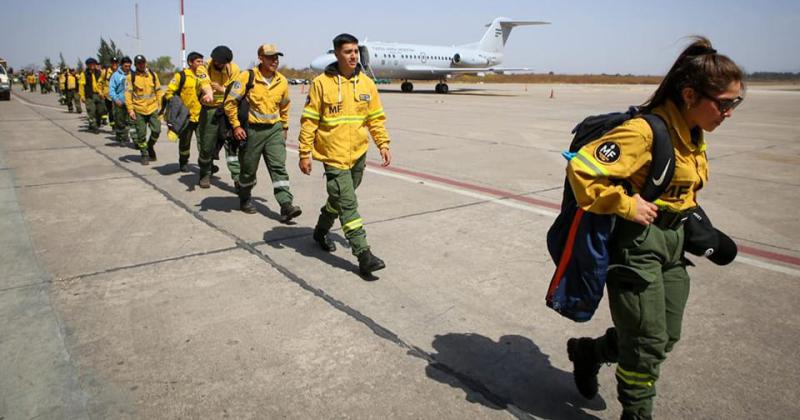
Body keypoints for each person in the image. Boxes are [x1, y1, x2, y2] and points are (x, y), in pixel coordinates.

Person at [564, 37, 744, 420]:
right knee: (646, 344)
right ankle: (637, 413)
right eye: (724, 103)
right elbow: (583, 169)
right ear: (691, 94)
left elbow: (681, 191)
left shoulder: (693, 134)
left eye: (735, 103)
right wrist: (625, 204)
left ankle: (589, 352)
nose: (729, 112)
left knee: (664, 338)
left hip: (673, 243)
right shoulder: (645, 132)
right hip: (637, 245)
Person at [298, 33, 392, 276]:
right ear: (337, 54)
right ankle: (363, 254)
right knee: (349, 203)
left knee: (339, 199)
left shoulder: (367, 84)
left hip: (358, 153)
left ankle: (320, 231)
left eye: (355, 51)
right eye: (348, 52)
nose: (353, 56)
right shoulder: (321, 83)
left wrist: (382, 143)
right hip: (333, 155)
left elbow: (375, 118)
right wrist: (304, 152)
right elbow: (309, 120)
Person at [224, 44, 301, 221]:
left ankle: (286, 205)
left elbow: (285, 106)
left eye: (277, 57)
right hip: (252, 131)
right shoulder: (247, 76)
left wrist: (285, 127)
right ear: (260, 58)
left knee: (278, 168)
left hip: (274, 130)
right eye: (270, 57)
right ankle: (244, 197)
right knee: (248, 170)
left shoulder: (281, 80)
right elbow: (230, 103)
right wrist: (236, 126)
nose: (275, 60)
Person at [195, 45, 240, 189]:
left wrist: (221, 89)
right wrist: (208, 92)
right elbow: (204, 83)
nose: (219, 65)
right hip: (209, 110)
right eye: (217, 62)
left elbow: (237, 90)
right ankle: (205, 173)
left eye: (222, 63)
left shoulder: (233, 69)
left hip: (228, 110)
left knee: (232, 146)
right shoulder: (204, 67)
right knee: (207, 145)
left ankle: (238, 180)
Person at [165, 51, 204, 172]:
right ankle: (183, 161)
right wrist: (177, 106)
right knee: (185, 143)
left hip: (201, 116)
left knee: (204, 143)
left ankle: (205, 166)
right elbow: (169, 93)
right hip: (186, 116)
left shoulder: (204, 76)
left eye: (202, 61)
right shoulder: (180, 76)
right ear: (190, 62)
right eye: (198, 61)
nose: (201, 64)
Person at [125, 55, 163, 165]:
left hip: (152, 108)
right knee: (141, 134)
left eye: (143, 63)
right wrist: (130, 109)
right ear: (135, 65)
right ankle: (144, 154)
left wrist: (161, 106)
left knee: (156, 130)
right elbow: (128, 94)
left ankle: (150, 145)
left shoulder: (152, 75)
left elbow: (159, 91)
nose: (141, 65)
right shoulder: (131, 77)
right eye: (139, 63)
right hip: (138, 109)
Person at [108, 56, 132, 143]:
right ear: (121, 65)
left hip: (130, 102)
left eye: (129, 66)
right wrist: (116, 99)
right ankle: (120, 136)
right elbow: (111, 89)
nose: (128, 68)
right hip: (119, 102)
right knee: (120, 121)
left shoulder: (132, 74)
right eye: (126, 66)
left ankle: (125, 136)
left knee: (130, 121)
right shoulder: (115, 75)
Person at [80, 58, 104, 133]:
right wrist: (82, 96)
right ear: (87, 65)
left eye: (93, 64)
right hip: (89, 95)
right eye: (90, 64)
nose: (92, 65)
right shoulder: (84, 74)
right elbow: (81, 86)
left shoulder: (99, 72)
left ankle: (95, 123)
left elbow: (102, 83)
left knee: (100, 111)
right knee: (91, 111)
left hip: (99, 95)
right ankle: (94, 126)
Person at [99, 58, 118, 127]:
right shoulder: (105, 72)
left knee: (117, 111)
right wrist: (100, 92)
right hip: (108, 95)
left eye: (116, 62)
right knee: (111, 111)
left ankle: (117, 125)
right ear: (111, 63)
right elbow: (100, 83)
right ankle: (113, 125)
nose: (114, 64)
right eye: (113, 62)